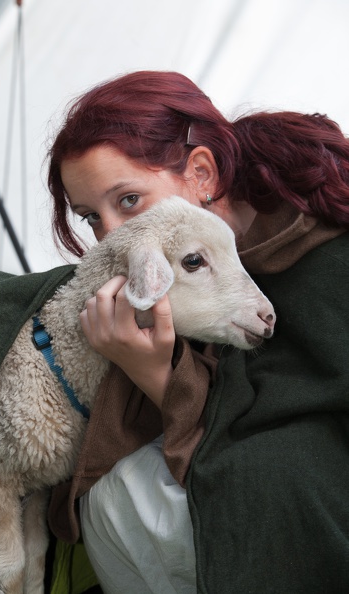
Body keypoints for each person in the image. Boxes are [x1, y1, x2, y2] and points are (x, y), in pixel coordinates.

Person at [46, 70, 349, 594]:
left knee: (127, 495)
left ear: (203, 173)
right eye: (90, 218)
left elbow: (274, 449)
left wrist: (157, 376)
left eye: (128, 201)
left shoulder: (325, 257)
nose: (110, 237)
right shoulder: (162, 286)